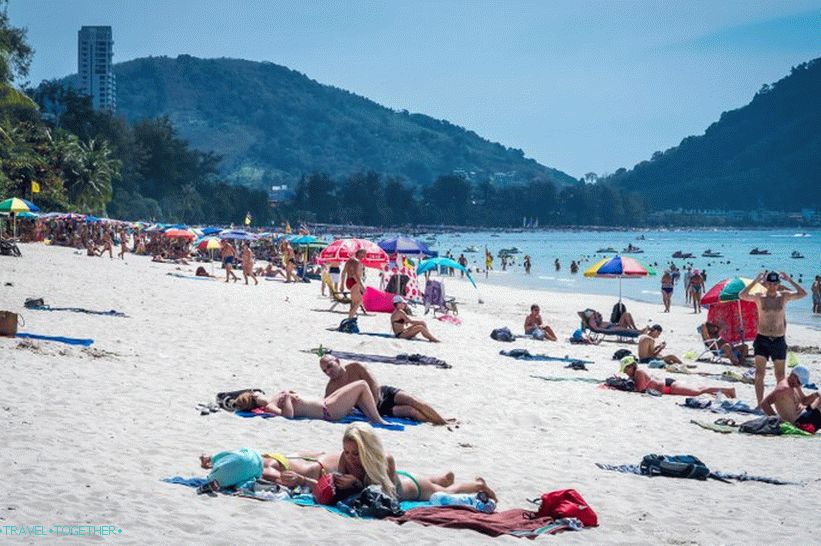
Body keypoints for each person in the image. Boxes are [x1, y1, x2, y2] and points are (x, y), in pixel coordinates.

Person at [335, 423, 497, 502]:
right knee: (441, 484)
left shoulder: (386, 460)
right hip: (399, 478)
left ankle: (478, 485)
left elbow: (391, 499)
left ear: (368, 451)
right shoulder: (345, 458)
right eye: (347, 451)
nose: (350, 457)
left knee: (447, 492)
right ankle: (442, 478)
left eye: (356, 453)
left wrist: (357, 484)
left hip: (414, 488)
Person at [320, 355, 449, 425]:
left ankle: (443, 420)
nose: (328, 371)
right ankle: (435, 421)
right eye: (324, 370)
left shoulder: (356, 367)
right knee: (411, 411)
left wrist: (375, 400)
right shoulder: (331, 387)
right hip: (373, 409)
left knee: (414, 400)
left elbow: (373, 382)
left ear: (337, 361)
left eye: (330, 366)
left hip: (382, 393)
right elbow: (328, 406)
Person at [740, 270, 807, 404]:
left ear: (778, 284)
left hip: (778, 340)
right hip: (762, 339)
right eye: (769, 283)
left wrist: (789, 280)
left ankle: (781, 404)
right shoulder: (760, 297)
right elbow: (742, 295)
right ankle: (760, 403)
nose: (772, 286)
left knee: (780, 376)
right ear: (766, 283)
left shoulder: (783, 296)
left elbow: (803, 294)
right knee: (759, 374)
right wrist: (755, 281)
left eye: (775, 283)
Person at [233, 381, 389, 426]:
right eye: (256, 394)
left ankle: (372, 415)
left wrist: (290, 394)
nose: (259, 393)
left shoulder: (274, 398)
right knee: (361, 385)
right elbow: (288, 416)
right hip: (328, 410)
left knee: (357, 388)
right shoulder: (269, 406)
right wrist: (287, 397)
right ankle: (377, 419)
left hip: (326, 402)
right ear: (255, 399)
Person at [199, 449, 339, 489]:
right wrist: (211, 459)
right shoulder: (251, 456)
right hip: (307, 458)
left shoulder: (264, 473)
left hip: (317, 467)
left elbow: (284, 481)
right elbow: (231, 456)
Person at [620, 356, 736, 397]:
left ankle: (728, 390)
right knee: (698, 391)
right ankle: (719, 392)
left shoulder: (639, 372)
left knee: (698, 391)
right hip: (668, 386)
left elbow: (640, 389)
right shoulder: (636, 373)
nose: (625, 372)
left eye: (626, 369)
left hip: (670, 386)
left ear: (631, 366)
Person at [341, 249, 366, 319]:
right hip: (355, 282)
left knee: (353, 302)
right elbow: (355, 275)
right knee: (359, 301)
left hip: (348, 281)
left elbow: (343, 273)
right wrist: (362, 286)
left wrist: (342, 285)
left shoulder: (349, 261)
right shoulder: (357, 262)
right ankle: (349, 319)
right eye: (364, 254)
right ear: (359, 253)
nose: (364, 256)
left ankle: (350, 319)